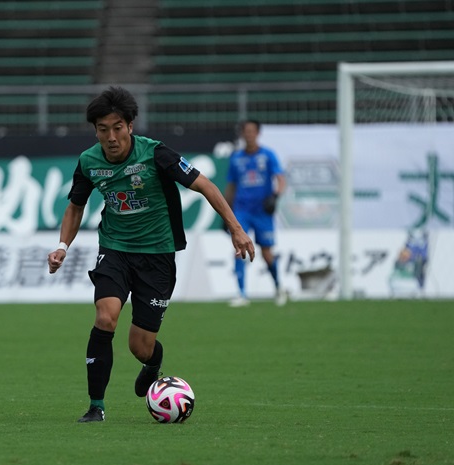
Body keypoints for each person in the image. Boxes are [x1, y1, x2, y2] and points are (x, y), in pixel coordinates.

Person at [47, 86, 255, 423]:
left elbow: (205, 185)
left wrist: (235, 228)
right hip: (114, 249)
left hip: (157, 256)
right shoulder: (88, 161)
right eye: (102, 129)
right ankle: (96, 406)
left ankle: (152, 364)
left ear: (130, 126)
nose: (111, 137)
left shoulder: (156, 154)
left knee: (140, 346)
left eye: (117, 128)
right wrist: (62, 246)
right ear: (95, 131)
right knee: (105, 317)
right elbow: (75, 206)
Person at [224, 119, 287, 307]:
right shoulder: (236, 158)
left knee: (267, 253)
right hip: (242, 210)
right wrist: (226, 212)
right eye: (246, 131)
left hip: (262, 211)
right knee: (239, 248)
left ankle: (278, 286)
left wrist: (275, 196)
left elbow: (281, 179)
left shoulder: (268, 155)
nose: (249, 135)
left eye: (252, 131)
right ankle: (241, 294)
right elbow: (231, 186)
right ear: (242, 134)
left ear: (258, 133)